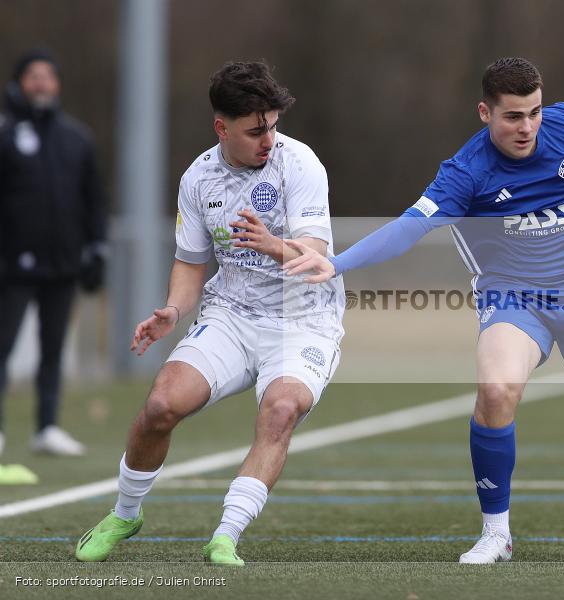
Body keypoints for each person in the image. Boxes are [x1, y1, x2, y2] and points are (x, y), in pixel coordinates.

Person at [283, 57, 564, 563]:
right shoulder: (466, 172)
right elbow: (409, 227)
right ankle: (497, 533)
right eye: (513, 116)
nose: (527, 127)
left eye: (534, 112)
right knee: (496, 390)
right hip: (516, 299)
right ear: (484, 113)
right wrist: (337, 263)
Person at [74, 61, 344, 565]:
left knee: (281, 410)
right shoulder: (198, 178)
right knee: (161, 406)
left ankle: (226, 535)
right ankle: (125, 513)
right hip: (232, 314)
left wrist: (273, 244)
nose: (269, 140)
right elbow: (191, 262)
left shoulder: (300, 164)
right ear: (222, 128)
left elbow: (315, 250)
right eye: (255, 130)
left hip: (303, 320)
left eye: (273, 126)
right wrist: (174, 310)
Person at [0, 49, 107, 458]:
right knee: (3, 347)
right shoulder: (6, 135)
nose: (41, 83)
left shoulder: (76, 138)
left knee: (52, 350)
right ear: (18, 82)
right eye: (33, 75)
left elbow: (94, 201)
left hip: (63, 265)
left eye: (48, 75)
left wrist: (96, 249)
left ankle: (47, 427)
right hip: (12, 267)